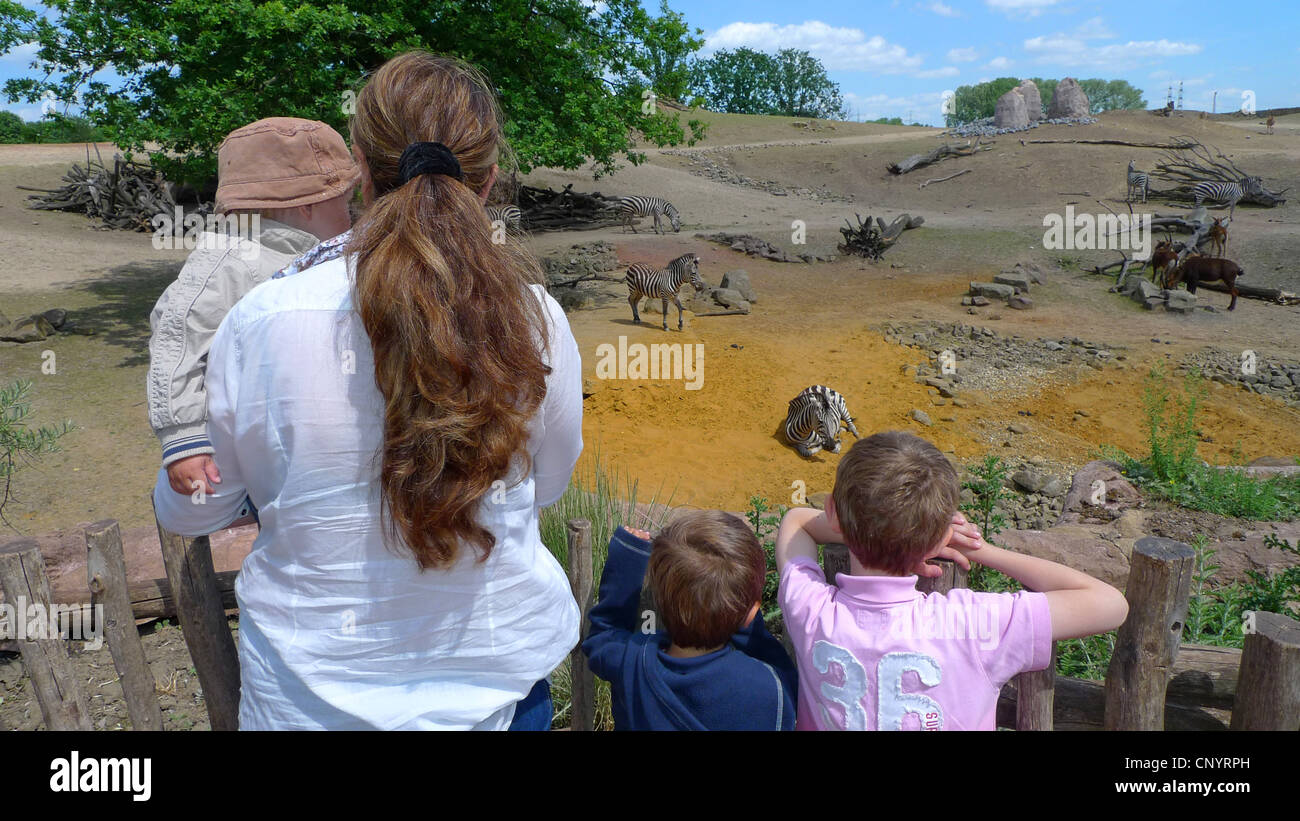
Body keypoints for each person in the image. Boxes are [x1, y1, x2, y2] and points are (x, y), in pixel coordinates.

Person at [152, 51, 583, 730]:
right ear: (491, 179)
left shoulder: (260, 320)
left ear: (359, 163)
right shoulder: (537, 321)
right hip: (496, 705)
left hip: (303, 706)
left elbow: (199, 508)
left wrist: (179, 474)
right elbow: (548, 481)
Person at [775, 431, 1128, 731]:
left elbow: (797, 520)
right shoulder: (973, 624)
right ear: (938, 538)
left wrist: (855, 526)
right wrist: (979, 549)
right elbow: (1110, 604)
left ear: (833, 510)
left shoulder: (809, 609)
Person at [148, 117, 358, 499]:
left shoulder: (314, 255)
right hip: (243, 440)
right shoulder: (229, 261)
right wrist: (182, 438)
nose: (352, 213)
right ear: (308, 205)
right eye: (345, 201)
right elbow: (177, 333)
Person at [583, 511, 798, 730]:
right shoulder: (769, 690)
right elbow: (785, 676)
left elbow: (603, 634)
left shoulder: (631, 662)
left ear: (658, 598)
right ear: (751, 614)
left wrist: (628, 558)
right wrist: (741, 613)